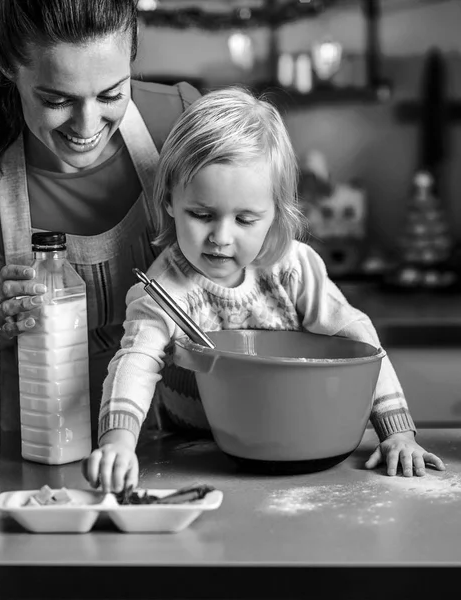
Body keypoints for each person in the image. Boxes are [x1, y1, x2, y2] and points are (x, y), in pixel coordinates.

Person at [83, 87, 446, 493]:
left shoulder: (294, 269)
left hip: (291, 442)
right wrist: (117, 442)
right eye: (201, 214)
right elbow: (136, 359)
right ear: (169, 199)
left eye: (245, 219)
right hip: (195, 458)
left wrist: (396, 432)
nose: (221, 237)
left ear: (275, 213)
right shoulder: (164, 290)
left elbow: (358, 339)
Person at [0, 0, 201, 432]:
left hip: (183, 440)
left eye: (112, 93)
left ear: (132, 49)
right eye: (57, 99)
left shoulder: (182, 122)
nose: (87, 125)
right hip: (36, 446)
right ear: (5, 62)